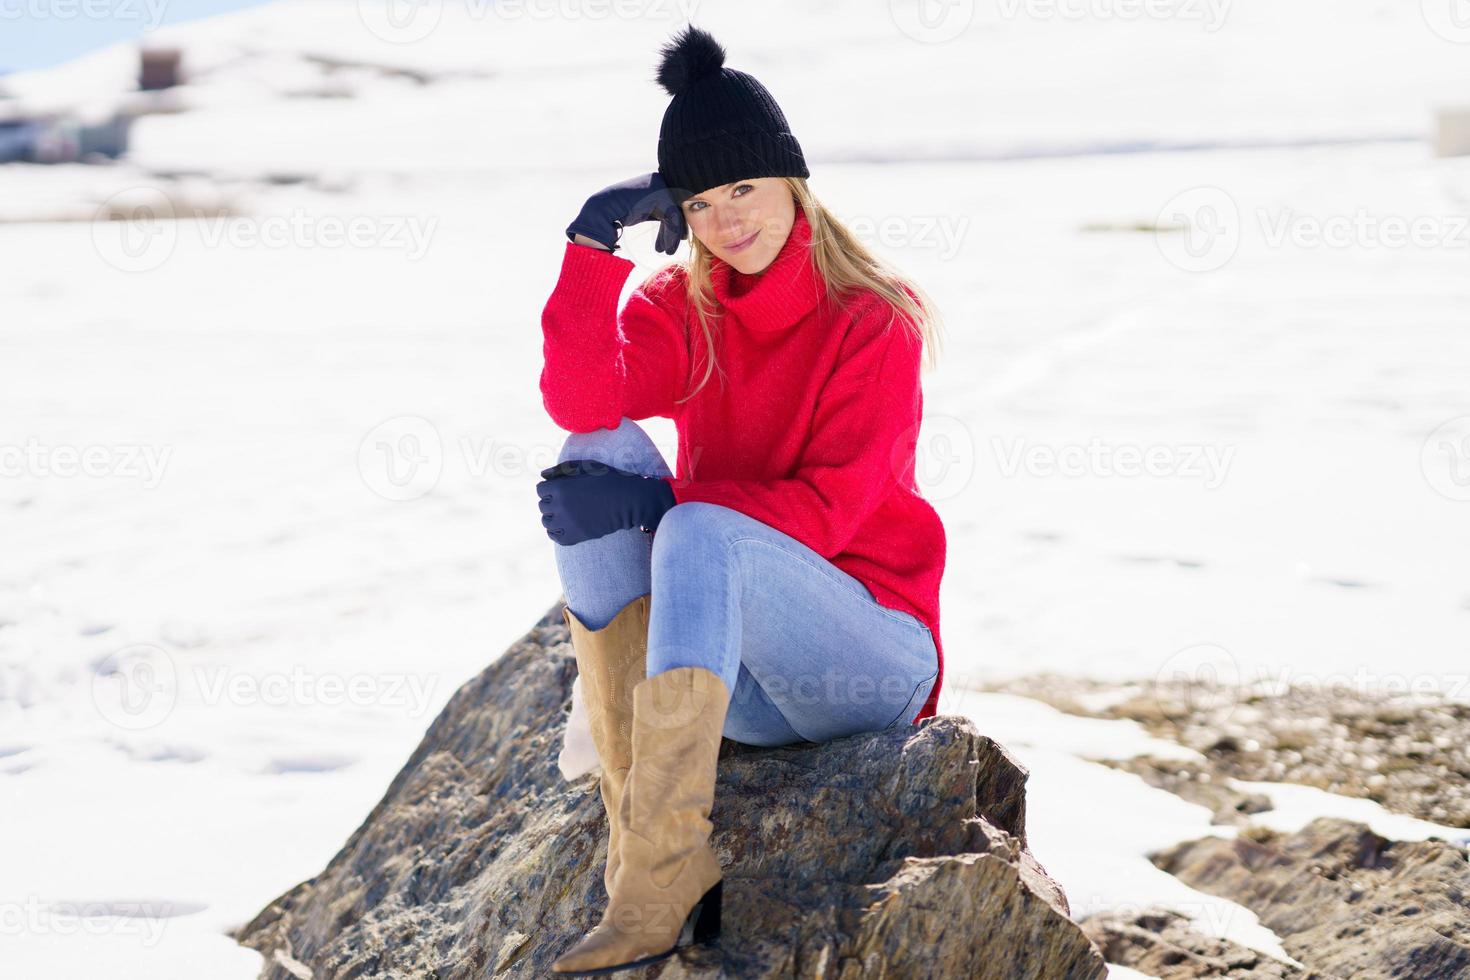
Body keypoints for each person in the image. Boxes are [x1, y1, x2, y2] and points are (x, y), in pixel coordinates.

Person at [535, 24, 949, 976]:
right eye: (703, 199)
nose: (728, 221)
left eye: (745, 189)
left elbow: (833, 510)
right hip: (744, 690)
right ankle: (650, 860)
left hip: (869, 659)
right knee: (593, 450)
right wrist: (593, 242)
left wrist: (662, 512)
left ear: (791, 183)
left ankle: (655, 880)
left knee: (694, 525)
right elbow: (582, 401)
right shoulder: (681, 308)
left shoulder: (874, 316)